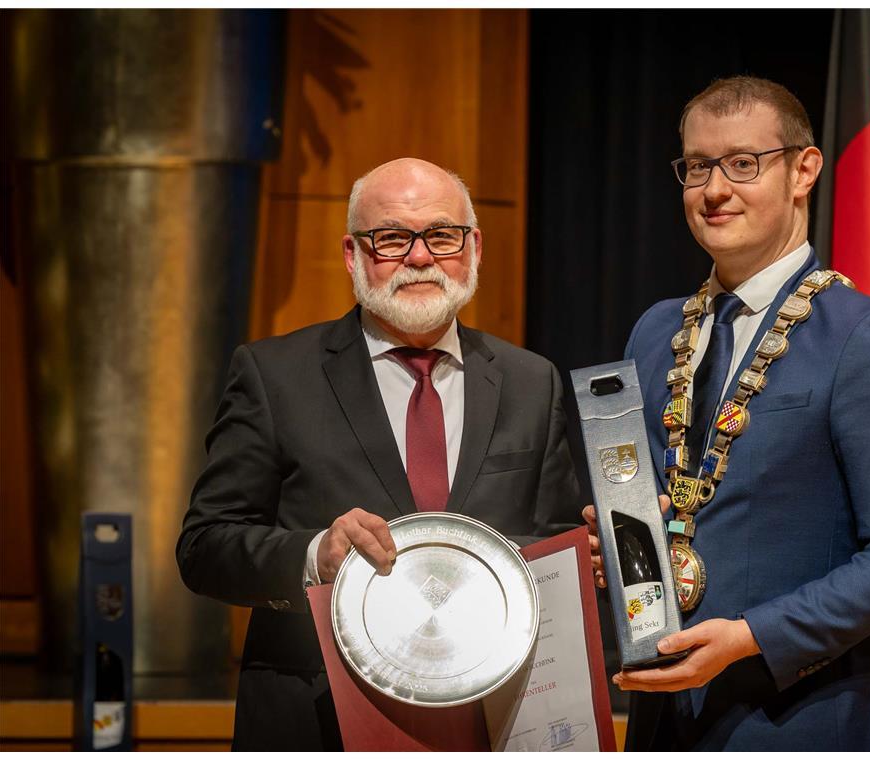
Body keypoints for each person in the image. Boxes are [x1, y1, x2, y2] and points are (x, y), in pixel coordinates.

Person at [584, 76, 870, 750]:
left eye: (743, 164)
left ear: (804, 170)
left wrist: (752, 638)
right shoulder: (654, 332)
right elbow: (667, 514)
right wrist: (621, 545)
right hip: (665, 722)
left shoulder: (864, 337)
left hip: (803, 720)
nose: (714, 190)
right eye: (697, 167)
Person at [177, 158, 581, 750]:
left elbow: (553, 546)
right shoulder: (273, 375)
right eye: (391, 238)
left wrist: (590, 559)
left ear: (474, 249)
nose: (420, 257)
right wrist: (315, 555)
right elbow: (204, 546)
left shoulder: (531, 380)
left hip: (488, 721)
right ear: (352, 254)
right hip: (320, 723)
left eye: (442, 235)